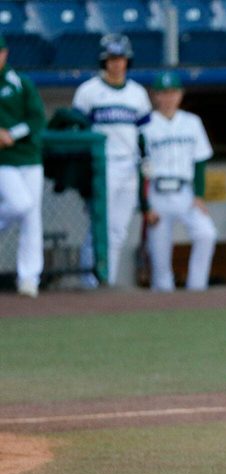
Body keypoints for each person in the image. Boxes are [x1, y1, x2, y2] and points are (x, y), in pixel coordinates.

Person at [71, 33, 151, 286]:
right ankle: (89, 285)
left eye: (121, 59)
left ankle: (107, 283)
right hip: (102, 166)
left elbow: (143, 134)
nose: (117, 64)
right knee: (99, 229)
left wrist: (146, 161)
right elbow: (77, 131)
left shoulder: (137, 93)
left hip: (129, 167)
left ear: (128, 61)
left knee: (118, 232)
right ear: (103, 61)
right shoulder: (88, 91)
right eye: (112, 59)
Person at [140, 71, 217, 292]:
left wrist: (200, 194)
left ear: (180, 94)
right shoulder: (145, 124)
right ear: (155, 96)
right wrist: (145, 205)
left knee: (206, 233)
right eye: (163, 93)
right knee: (160, 253)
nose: (168, 98)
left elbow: (200, 161)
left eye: (172, 92)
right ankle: (164, 300)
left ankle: (197, 287)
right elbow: (140, 168)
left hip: (185, 190)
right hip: (157, 190)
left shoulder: (192, 122)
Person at [0, 34, 46, 298]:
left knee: (31, 216)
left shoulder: (20, 82)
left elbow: (37, 119)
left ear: (5, 54)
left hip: (29, 156)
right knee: (20, 204)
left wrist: (11, 134)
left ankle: (29, 278)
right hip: (4, 160)